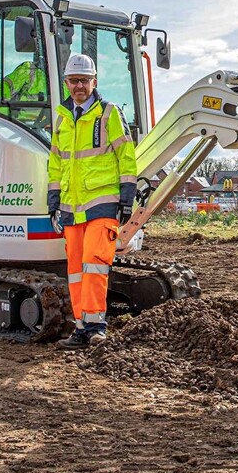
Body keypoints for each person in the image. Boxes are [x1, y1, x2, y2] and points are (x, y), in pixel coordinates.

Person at [47, 53, 137, 349]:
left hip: (102, 204)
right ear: (67, 83)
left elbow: (125, 155)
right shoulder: (62, 118)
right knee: (75, 270)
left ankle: (97, 325)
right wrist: (53, 200)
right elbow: (56, 163)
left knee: (94, 264)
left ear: (93, 82)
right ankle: (81, 326)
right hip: (71, 208)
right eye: (74, 81)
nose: (79, 86)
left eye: (84, 80)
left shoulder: (108, 113)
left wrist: (127, 195)